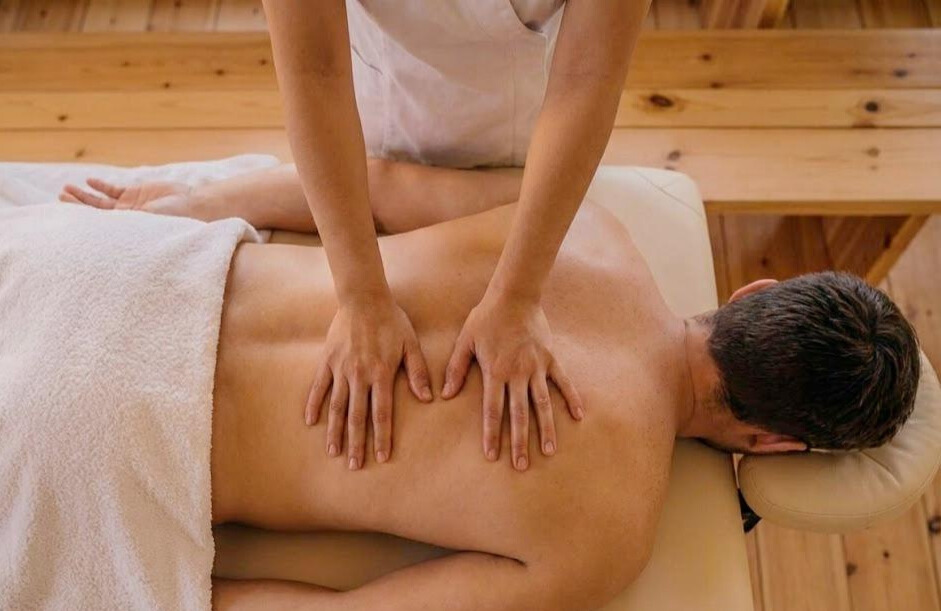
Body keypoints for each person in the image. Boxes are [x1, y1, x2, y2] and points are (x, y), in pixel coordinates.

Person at [53, 163, 920, 610]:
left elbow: (375, 184)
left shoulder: (586, 229)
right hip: (89, 446)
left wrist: (166, 206)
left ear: (754, 293)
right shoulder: (607, 537)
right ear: (774, 441)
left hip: (116, 267)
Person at [250, 0, 651, 468]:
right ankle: (206, 199)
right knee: (383, 186)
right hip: (382, 100)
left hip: (527, 132)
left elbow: (586, 77)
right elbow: (314, 70)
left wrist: (518, 296)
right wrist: (359, 297)